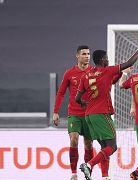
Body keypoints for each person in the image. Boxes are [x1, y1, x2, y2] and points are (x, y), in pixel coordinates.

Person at [76, 34, 138, 180]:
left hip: (89, 115)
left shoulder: (87, 75)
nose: (108, 60)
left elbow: (78, 98)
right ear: (102, 60)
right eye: (106, 58)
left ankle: (105, 176)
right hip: (102, 114)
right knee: (112, 147)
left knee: (104, 148)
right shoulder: (107, 70)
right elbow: (129, 62)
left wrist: (85, 103)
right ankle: (89, 165)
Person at [52, 45, 93, 180]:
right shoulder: (70, 73)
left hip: (89, 114)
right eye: (84, 54)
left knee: (88, 144)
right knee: (74, 140)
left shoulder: (93, 71)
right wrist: (56, 112)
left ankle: (88, 173)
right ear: (77, 56)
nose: (87, 56)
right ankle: (73, 173)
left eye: (88, 54)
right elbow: (61, 93)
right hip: (74, 114)